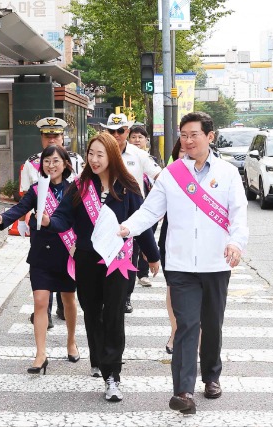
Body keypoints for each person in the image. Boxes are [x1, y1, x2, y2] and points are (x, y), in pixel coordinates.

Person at [119, 112, 249, 414]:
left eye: (194, 134)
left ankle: (211, 375)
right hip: (179, 265)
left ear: (210, 136)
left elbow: (239, 215)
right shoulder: (172, 174)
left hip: (216, 263)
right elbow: (150, 211)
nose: (188, 141)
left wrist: (235, 243)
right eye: (184, 135)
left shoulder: (228, 173)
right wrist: (127, 227)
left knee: (212, 324)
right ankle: (183, 391)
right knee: (187, 324)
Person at [41, 133, 160, 402]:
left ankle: (112, 375)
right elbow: (63, 218)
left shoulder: (129, 187)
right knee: (93, 311)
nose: (94, 160)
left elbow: (141, 224)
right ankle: (98, 357)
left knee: (115, 314)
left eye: (100, 155)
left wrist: (153, 256)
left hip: (119, 261)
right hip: (87, 260)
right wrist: (49, 221)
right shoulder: (80, 187)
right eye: (90, 154)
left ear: (112, 156)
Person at [0, 145, 80, 373]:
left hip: (67, 253)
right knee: (40, 301)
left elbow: (80, 220)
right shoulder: (38, 190)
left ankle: (71, 341)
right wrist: (3, 219)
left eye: (56, 161)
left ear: (65, 164)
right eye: (47, 161)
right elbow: (20, 208)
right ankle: (40, 353)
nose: (51, 165)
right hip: (41, 253)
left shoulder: (73, 191)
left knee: (68, 300)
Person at [20, 117, 84, 326]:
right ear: (41, 139)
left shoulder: (76, 161)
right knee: (43, 268)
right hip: (41, 229)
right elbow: (25, 195)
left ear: (63, 136)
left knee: (65, 268)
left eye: (56, 136)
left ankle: (62, 306)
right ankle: (44, 313)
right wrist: (22, 221)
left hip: (67, 229)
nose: (52, 140)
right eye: (47, 137)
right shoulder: (31, 163)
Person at [102, 114, 162, 313]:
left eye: (120, 131)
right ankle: (106, 297)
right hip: (103, 214)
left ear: (127, 131)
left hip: (132, 214)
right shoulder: (99, 153)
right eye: (112, 131)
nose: (116, 135)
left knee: (129, 258)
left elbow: (160, 177)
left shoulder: (139, 154)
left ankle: (126, 297)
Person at [159, 139, 185, 354]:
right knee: (172, 287)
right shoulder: (169, 176)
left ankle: (199, 337)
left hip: (203, 243)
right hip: (171, 236)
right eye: (182, 151)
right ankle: (175, 330)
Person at [129, 126, 159, 287]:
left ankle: (143, 273)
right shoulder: (123, 159)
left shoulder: (150, 160)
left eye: (140, 137)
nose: (137, 140)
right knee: (132, 244)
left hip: (149, 208)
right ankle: (131, 276)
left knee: (146, 240)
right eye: (133, 137)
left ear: (146, 140)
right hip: (133, 207)